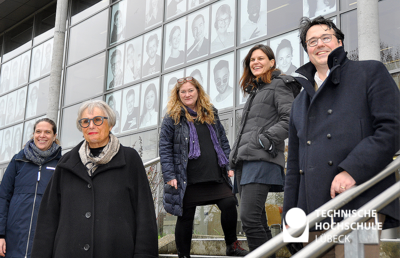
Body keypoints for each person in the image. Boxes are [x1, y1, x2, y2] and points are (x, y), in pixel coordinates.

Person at [282, 16, 400, 258]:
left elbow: (392, 127)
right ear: (307, 50)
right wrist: (289, 217)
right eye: (312, 41)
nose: (319, 44)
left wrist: (352, 170)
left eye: (326, 37)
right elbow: (294, 166)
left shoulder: (370, 72)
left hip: (359, 204)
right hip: (313, 212)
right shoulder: (298, 104)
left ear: (340, 42)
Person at [31, 100, 158, 257]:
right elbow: (48, 217)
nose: (91, 126)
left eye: (98, 120)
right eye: (85, 122)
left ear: (110, 124)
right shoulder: (66, 163)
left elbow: (144, 214)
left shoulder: (130, 159)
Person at [160, 76, 249, 257]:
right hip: (187, 177)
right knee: (186, 217)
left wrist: (229, 163)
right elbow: (165, 147)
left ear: (198, 91)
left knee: (229, 202)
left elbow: (222, 140)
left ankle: (231, 245)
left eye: (190, 90)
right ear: (177, 95)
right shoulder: (172, 117)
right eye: (183, 92)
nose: (187, 94)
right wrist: (169, 175)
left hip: (214, 173)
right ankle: (183, 254)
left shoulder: (210, 112)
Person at [229, 44, 299, 253]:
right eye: (252, 60)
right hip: (246, 160)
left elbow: (291, 119)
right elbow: (246, 129)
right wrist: (234, 157)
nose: (256, 62)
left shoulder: (279, 84)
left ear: (272, 62)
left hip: (262, 158)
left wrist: (266, 139)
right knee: (256, 218)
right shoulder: (255, 90)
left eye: (261, 58)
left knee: (249, 217)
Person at [0, 118, 61, 258]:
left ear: (54, 136)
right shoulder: (18, 160)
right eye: (38, 131)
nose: (42, 135)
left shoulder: (60, 164)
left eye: (47, 132)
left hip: (45, 239)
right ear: (33, 134)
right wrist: (0, 234)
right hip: (14, 238)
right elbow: (3, 197)